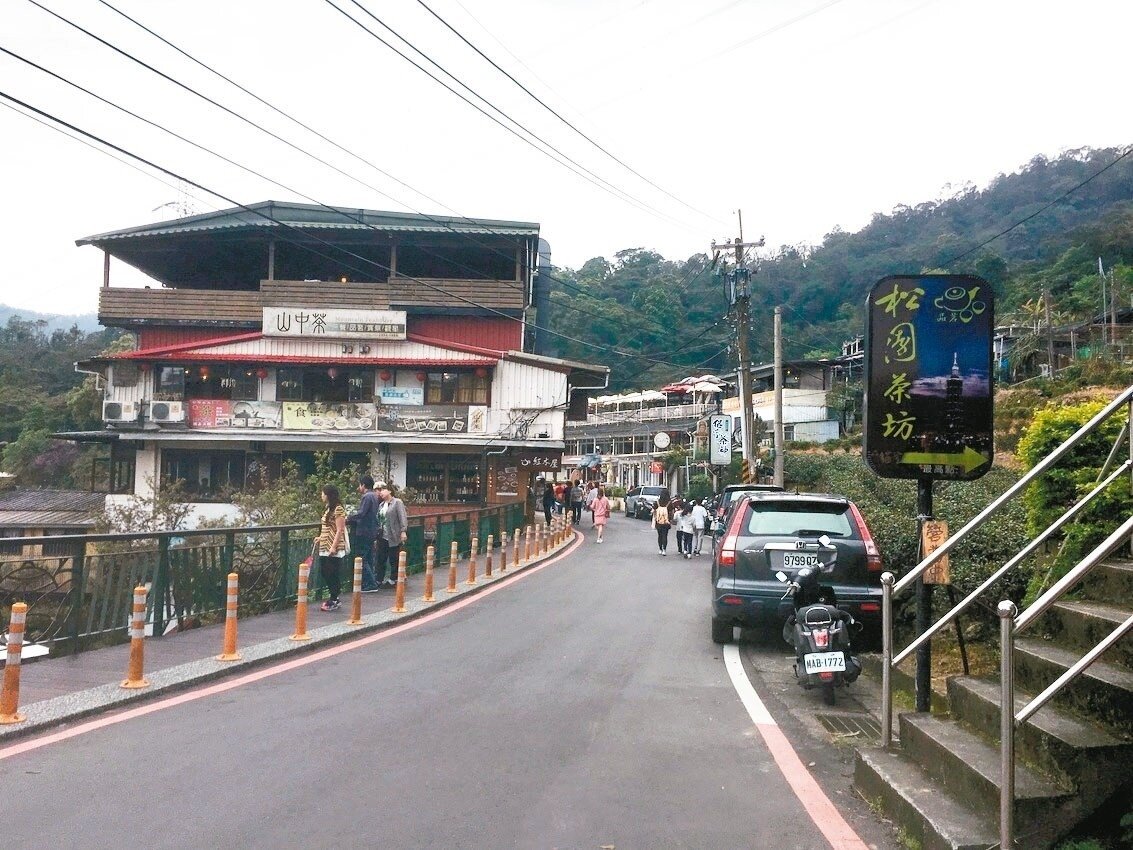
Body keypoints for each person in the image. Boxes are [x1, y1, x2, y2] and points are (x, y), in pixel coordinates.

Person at [346, 474, 381, 592]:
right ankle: (370, 582)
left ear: (363, 485)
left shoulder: (367, 497)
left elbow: (361, 513)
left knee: (362, 558)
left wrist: (349, 518)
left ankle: (370, 583)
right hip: (372, 530)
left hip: (364, 531)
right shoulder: (374, 496)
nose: (359, 487)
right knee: (369, 557)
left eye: (360, 485)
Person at [317, 484, 347, 611]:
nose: (322, 496)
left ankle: (334, 598)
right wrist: (320, 537)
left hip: (333, 546)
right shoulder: (328, 508)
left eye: (323, 493)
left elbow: (339, 529)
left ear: (328, 495)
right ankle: (334, 597)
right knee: (324, 571)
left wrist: (334, 546)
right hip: (324, 544)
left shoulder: (338, 509)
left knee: (332, 572)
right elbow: (328, 527)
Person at [375, 482, 409, 587]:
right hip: (382, 535)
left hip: (393, 534)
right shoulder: (381, 505)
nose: (381, 492)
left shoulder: (397, 502)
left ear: (389, 491)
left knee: (394, 558)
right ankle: (379, 579)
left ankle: (393, 579)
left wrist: (403, 531)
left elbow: (402, 517)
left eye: (383, 490)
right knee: (381, 558)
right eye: (380, 490)